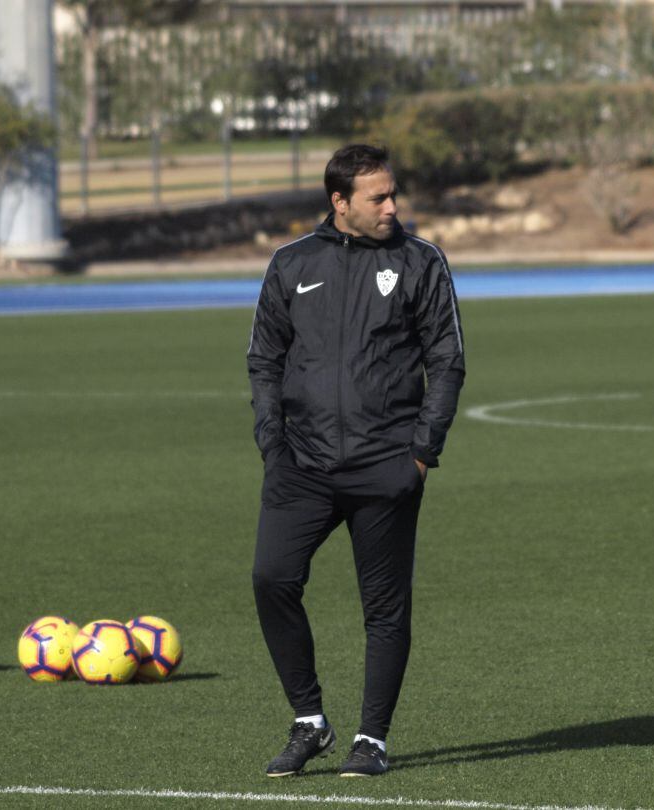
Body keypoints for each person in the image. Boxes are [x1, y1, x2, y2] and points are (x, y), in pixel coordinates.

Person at [247, 143, 465, 777]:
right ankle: (309, 721)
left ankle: (371, 740)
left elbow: (447, 360)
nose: (392, 206)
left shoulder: (421, 261)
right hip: (302, 467)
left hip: (386, 466)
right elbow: (264, 358)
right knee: (271, 579)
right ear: (339, 202)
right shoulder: (291, 263)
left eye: (393, 193)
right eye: (378, 197)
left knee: (385, 609)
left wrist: (421, 453)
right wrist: (272, 445)